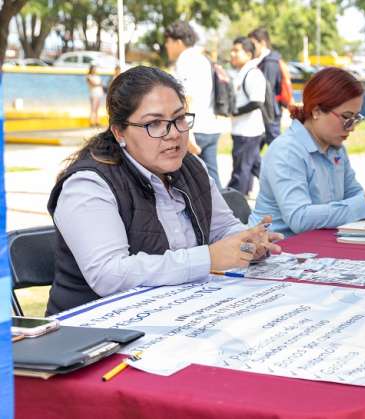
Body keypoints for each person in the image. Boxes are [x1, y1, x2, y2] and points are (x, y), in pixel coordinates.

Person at [46, 66, 282, 315]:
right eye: (154, 124)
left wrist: (248, 242)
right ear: (119, 132)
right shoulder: (89, 185)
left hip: (176, 314)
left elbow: (222, 229)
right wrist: (209, 258)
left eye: (179, 119)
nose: (173, 134)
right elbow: (109, 274)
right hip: (95, 333)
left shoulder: (191, 166)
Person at [248, 67, 365, 237]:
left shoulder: (335, 148)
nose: (351, 128)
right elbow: (299, 218)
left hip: (317, 243)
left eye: (356, 119)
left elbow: (353, 195)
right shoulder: (287, 151)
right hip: (275, 249)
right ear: (316, 111)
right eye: (346, 117)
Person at [165, 20, 225, 189]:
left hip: (195, 130)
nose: (166, 46)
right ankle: (225, 213)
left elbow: (186, 97)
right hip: (210, 127)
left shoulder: (186, 59)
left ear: (178, 41)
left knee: (185, 182)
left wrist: (185, 131)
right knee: (212, 182)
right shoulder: (202, 58)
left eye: (168, 42)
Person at [228, 36, 266, 196]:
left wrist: (234, 111)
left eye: (237, 51)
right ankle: (285, 190)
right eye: (232, 50)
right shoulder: (242, 73)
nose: (232, 54)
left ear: (249, 54)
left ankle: (236, 209)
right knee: (259, 168)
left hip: (248, 132)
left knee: (241, 172)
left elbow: (257, 101)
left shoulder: (252, 73)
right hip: (243, 131)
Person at [248, 27, 282, 146]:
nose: (250, 49)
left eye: (253, 44)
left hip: (270, 114)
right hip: (266, 113)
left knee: (276, 148)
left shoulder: (270, 62)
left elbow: (268, 91)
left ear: (262, 43)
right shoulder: (263, 61)